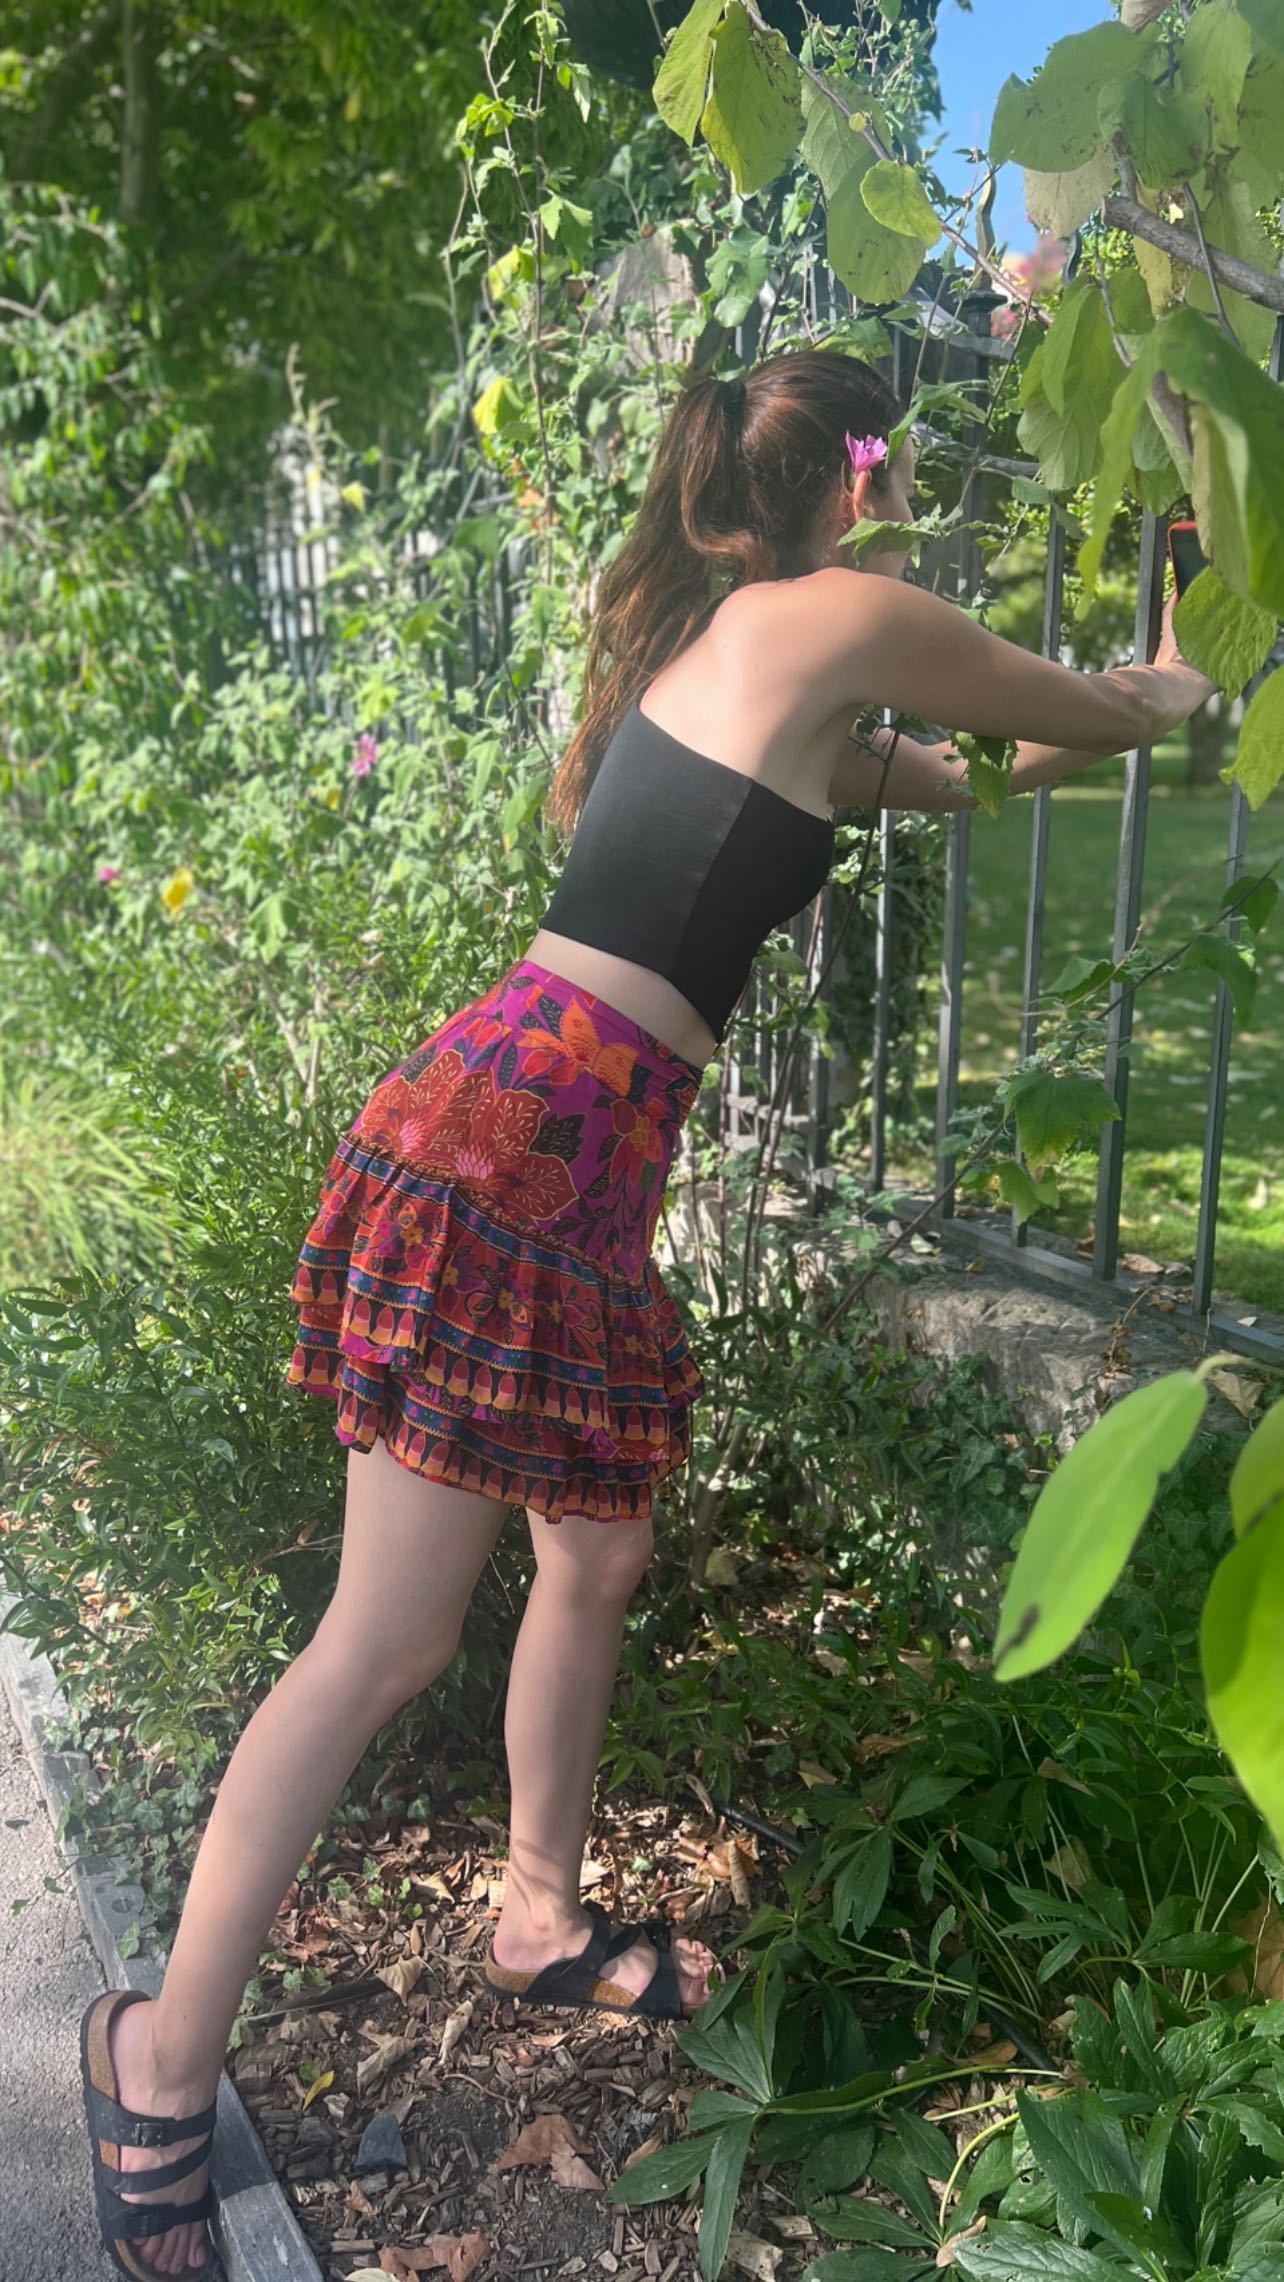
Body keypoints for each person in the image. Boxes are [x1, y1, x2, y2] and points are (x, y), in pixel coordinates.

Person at [78, 346, 1214, 2277]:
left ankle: (536, 1915)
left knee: (593, 1557)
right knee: (384, 1640)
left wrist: (1123, 693)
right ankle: (158, 2061)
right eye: (895, 464)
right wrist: (1174, 669)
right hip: (521, 1155)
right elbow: (1096, 714)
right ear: (857, 474)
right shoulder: (837, 616)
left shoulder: (752, 651)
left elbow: (987, 768)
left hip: (564, 1158)